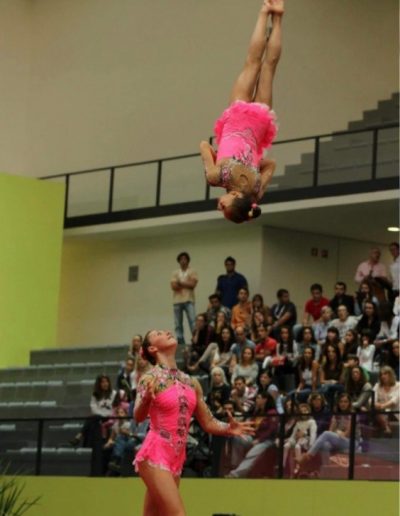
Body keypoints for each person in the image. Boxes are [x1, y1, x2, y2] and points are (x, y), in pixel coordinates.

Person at [134, 330, 254, 516]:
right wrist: (146, 400)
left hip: (176, 457)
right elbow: (138, 416)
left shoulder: (192, 382)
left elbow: (208, 422)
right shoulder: (149, 379)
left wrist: (228, 428)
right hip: (155, 453)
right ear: (152, 348)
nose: (166, 332)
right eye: (159, 332)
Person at [200, 1, 283, 223]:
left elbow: (271, 164)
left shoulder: (257, 190)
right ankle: (264, 11)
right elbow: (203, 145)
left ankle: (277, 18)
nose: (219, 205)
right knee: (253, 63)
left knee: (268, 68)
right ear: (235, 196)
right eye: (223, 207)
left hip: (260, 125)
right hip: (237, 119)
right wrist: (217, 159)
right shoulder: (216, 177)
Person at [226, 392, 279, 478]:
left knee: (252, 453)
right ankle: (235, 465)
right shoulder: (257, 411)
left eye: (259, 398)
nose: (257, 400)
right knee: (237, 438)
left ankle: (235, 474)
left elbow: (272, 430)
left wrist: (259, 440)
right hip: (253, 437)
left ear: (265, 400)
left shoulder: (272, 412)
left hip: (267, 440)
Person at [170, 252, 198, 345]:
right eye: (181, 259)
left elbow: (193, 285)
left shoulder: (192, 271)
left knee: (193, 321)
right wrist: (186, 283)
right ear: (179, 261)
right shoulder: (175, 272)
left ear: (188, 260)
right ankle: (180, 340)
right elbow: (173, 286)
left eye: (185, 259)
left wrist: (180, 282)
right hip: (177, 301)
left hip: (189, 299)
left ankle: (195, 338)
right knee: (178, 323)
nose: (183, 261)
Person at [282, 403, 317, 476]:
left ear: (308, 411)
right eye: (302, 411)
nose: (303, 412)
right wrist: (289, 440)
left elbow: (313, 435)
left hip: (306, 440)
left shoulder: (312, 422)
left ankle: (298, 466)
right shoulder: (298, 422)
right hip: (297, 439)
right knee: (286, 446)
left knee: (297, 446)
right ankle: (283, 465)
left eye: (305, 410)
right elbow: (293, 434)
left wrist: (311, 445)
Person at [372, 366, 400, 435]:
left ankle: (386, 428)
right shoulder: (377, 385)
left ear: (391, 375)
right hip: (381, 413)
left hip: (394, 413)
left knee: (381, 411)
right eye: (381, 374)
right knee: (375, 409)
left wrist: (382, 406)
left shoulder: (398, 385)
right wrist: (375, 404)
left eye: (385, 374)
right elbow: (372, 399)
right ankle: (387, 427)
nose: (383, 376)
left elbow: (394, 401)